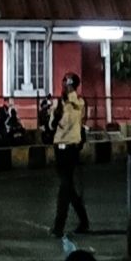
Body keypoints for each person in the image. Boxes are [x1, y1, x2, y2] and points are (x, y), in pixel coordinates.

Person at [49, 72, 91, 251]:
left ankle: (59, 225)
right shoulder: (58, 104)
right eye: (65, 84)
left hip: (72, 148)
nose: (67, 87)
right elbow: (51, 126)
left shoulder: (79, 103)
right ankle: (83, 221)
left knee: (65, 186)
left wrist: (67, 101)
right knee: (69, 188)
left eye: (70, 84)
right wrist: (56, 114)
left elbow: (80, 120)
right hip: (59, 147)